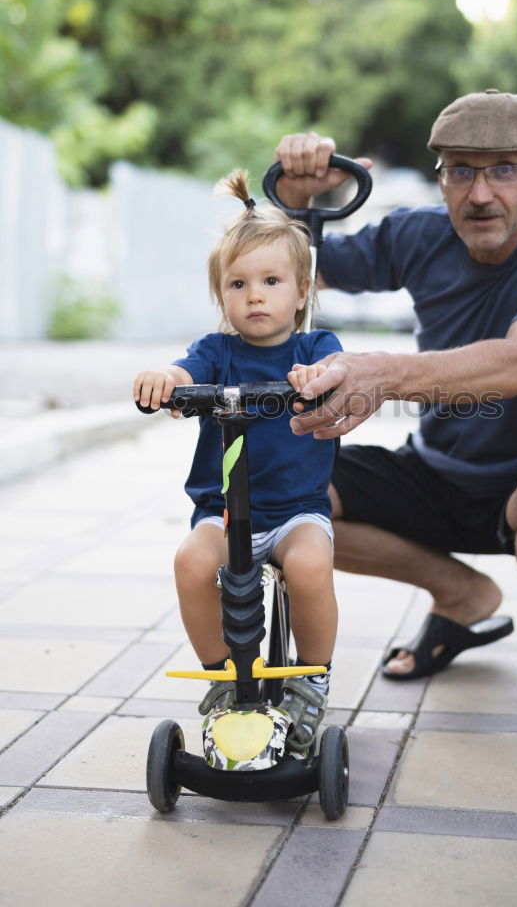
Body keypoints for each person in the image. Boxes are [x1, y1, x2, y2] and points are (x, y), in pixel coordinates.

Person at [274, 89, 517, 713]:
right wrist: (298, 196)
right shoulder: (419, 234)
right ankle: (462, 597)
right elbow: (292, 272)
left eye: (504, 169)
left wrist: (382, 374)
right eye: (461, 171)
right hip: (438, 472)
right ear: (442, 180)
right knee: (280, 491)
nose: (481, 194)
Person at [133, 170, 343, 754]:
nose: (254, 295)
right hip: (225, 513)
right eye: (238, 283)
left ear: (301, 292)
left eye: (272, 281)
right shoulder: (216, 352)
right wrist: (166, 380)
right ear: (221, 294)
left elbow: (337, 374)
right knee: (191, 564)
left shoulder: (315, 349)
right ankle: (224, 676)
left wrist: (316, 381)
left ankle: (311, 677)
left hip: (296, 511)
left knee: (308, 568)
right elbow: (184, 372)